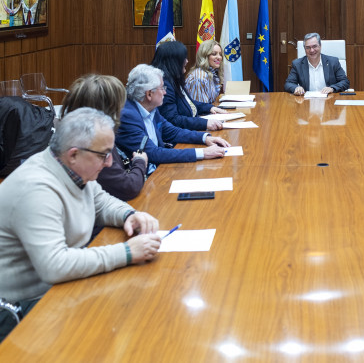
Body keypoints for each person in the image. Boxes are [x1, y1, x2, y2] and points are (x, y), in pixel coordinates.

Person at [0, 108, 161, 341]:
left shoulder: (71, 168)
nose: (109, 163)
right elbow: (55, 265)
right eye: (104, 155)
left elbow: (101, 201)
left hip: (57, 289)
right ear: (74, 154)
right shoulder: (37, 190)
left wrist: (128, 215)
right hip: (25, 307)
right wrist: (126, 252)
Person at [116, 64, 229, 174]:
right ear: (149, 94)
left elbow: (172, 132)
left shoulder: (150, 107)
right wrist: (202, 153)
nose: (165, 92)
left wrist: (204, 138)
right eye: (162, 88)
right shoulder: (127, 116)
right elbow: (153, 153)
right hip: (144, 178)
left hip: (159, 169)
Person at [61, 74, 148, 202]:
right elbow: (127, 187)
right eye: (118, 107)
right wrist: (140, 162)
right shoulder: (91, 143)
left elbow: (102, 205)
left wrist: (125, 214)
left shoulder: (83, 133)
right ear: (107, 110)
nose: (121, 111)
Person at [152, 41, 225, 132]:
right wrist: (204, 123)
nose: (187, 61)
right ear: (173, 61)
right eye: (184, 58)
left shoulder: (174, 80)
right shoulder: (164, 85)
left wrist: (209, 108)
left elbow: (189, 103)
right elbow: (172, 120)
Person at [284, 32, 350, 95]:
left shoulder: (333, 62)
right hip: (306, 102)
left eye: (314, 46)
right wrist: (296, 88)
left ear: (320, 46)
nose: (312, 50)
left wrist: (332, 88)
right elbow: (288, 84)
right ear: (304, 49)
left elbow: (345, 82)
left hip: (329, 100)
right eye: (308, 47)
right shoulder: (297, 64)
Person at [185, 39, 224, 104]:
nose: (219, 57)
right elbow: (201, 109)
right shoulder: (199, 77)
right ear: (204, 56)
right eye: (214, 54)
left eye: (220, 54)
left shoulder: (211, 73)